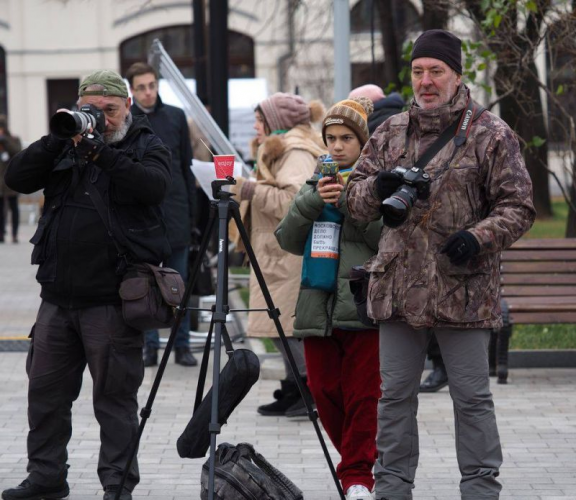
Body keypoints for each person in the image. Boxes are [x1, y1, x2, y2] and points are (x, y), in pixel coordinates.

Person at [346, 29, 536, 500]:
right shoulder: (389, 132)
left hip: (463, 289)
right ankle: (391, 489)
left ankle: (479, 490)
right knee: (393, 400)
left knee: (471, 399)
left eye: (436, 71)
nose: (426, 81)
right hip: (397, 288)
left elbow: (519, 206)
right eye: (418, 72)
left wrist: (477, 236)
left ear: (457, 75)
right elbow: (353, 200)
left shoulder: (491, 133)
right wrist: (379, 186)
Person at [1, 70, 171, 500]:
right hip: (57, 298)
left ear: (127, 106)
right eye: (91, 110)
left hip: (112, 301)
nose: (101, 118)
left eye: (109, 110)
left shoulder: (145, 143)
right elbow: (16, 178)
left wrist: (100, 153)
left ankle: (117, 484)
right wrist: (59, 137)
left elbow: (153, 187)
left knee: (114, 401)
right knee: (45, 397)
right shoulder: (66, 144)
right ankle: (46, 477)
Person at [275, 97, 381, 500]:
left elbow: (385, 240)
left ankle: (357, 475)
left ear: (362, 142)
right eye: (331, 138)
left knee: (362, 397)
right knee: (323, 393)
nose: (337, 147)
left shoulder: (375, 182)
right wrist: (315, 199)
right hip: (316, 306)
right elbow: (287, 239)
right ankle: (358, 461)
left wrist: (353, 205)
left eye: (346, 139)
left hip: (360, 305)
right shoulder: (315, 183)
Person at [231, 92, 326, 418]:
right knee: (281, 322)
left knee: (289, 323)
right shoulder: (285, 148)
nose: (256, 126)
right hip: (280, 251)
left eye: (260, 120)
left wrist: (247, 189)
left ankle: (309, 390)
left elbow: (294, 202)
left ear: (277, 122)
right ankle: (294, 388)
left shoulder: (296, 151)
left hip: (289, 252)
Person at [126, 62, 198, 367]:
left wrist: (193, 216)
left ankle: (181, 345)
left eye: (152, 85)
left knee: (178, 282)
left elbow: (186, 167)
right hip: (142, 216)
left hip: (177, 211)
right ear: (131, 90)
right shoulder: (127, 121)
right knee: (145, 284)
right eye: (141, 87)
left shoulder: (176, 116)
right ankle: (150, 345)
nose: (148, 91)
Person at [0, 115, 22, 243]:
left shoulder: (13, 139)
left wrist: (5, 141)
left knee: (14, 208)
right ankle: (1, 234)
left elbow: (17, 152)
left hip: (11, 179)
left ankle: (14, 234)